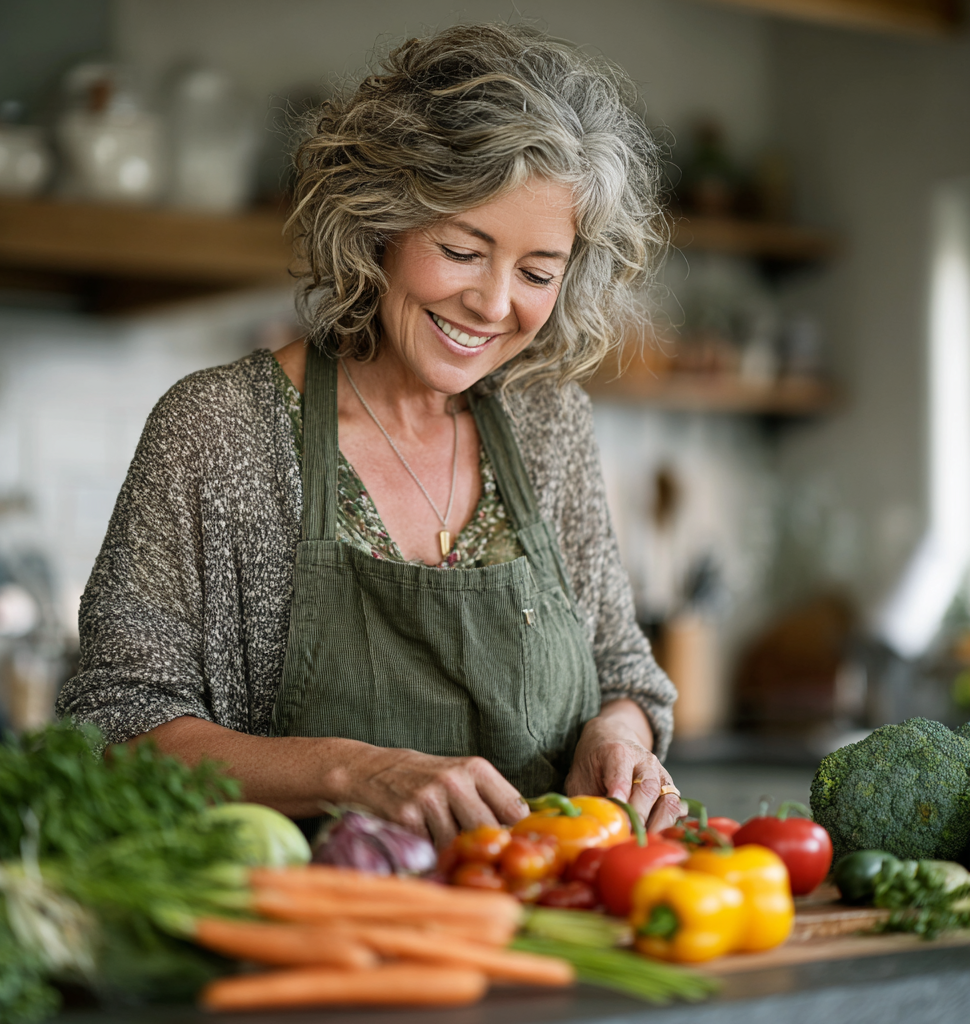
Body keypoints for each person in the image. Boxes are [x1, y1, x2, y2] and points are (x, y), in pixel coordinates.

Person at [57, 23, 680, 847]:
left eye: (537, 272)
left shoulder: (547, 424)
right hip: (311, 941)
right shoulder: (219, 432)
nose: (494, 305)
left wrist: (618, 737)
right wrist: (357, 771)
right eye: (462, 250)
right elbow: (114, 732)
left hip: (545, 932)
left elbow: (623, 672)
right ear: (381, 222)